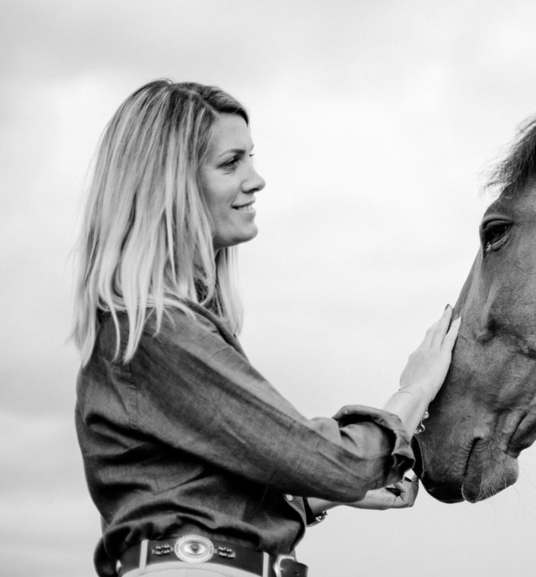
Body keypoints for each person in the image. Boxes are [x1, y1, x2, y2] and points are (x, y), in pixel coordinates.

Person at [71, 80, 461, 577]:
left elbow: (210, 502)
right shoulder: (156, 331)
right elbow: (340, 464)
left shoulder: (158, 332)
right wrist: (414, 391)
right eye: (231, 162)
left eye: (250, 159)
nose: (256, 180)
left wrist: (321, 496)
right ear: (169, 185)